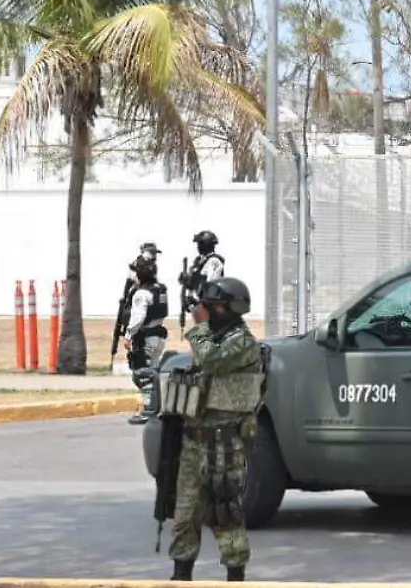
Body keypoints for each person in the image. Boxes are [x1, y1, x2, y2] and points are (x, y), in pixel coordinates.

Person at [168, 277, 266, 582]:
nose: (208, 311)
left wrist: (197, 327)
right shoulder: (214, 337)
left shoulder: (243, 342)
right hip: (194, 442)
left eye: (214, 306)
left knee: (224, 511)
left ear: (232, 308)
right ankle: (181, 573)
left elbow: (212, 362)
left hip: (224, 444)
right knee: (185, 513)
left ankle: (235, 574)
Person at [124, 254, 171, 425]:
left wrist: (128, 335)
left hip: (146, 337)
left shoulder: (141, 293)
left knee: (143, 374)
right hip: (159, 335)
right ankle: (157, 407)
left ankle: (148, 409)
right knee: (153, 372)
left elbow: (138, 317)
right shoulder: (159, 289)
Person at [178, 230, 226, 314]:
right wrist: (185, 279)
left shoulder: (213, 261)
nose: (198, 247)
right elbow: (193, 283)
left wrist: (198, 302)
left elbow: (211, 286)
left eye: (199, 244)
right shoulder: (199, 262)